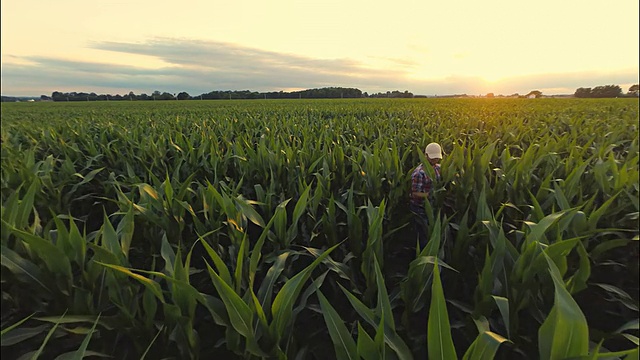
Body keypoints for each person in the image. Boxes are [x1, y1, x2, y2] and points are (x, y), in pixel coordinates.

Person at [409, 142, 442, 250]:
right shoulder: (419, 173)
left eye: (437, 158)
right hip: (420, 208)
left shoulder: (438, 168)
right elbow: (415, 193)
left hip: (432, 206)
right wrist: (430, 195)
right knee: (423, 234)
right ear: (425, 155)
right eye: (432, 158)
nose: (435, 160)